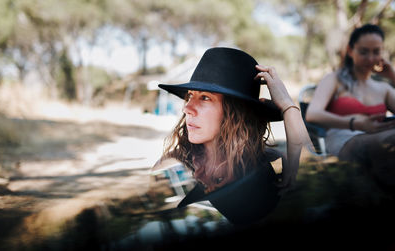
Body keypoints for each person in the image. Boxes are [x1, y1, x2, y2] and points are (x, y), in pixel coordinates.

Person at [153, 47, 311, 224]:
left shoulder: (266, 159)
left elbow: (309, 162)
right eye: (190, 96)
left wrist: (287, 104)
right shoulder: (175, 162)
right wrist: (288, 108)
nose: (186, 108)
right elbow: (311, 163)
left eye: (205, 98)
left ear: (235, 114)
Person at [306, 24, 395, 189]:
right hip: (343, 139)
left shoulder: (383, 88)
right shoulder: (334, 79)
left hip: (380, 138)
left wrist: (392, 76)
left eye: (376, 51)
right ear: (350, 50)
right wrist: (354, 123)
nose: (370, 59)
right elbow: (312, 114)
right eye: (363, 51)